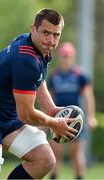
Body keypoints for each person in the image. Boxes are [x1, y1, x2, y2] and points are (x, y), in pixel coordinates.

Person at [0, 9, 78, 179]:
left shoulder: (37, 47)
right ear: (33, 29)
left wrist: (51, 108)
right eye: (46, 33)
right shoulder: (26, 59)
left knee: (44, 159)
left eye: (56, 35)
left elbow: (37, 79)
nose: (51, 40)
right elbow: (26, 114)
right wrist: (54, 123)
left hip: (8, 117)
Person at [48, 42, 98, 179]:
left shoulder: (80, 75)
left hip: (77, 120)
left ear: (73, 57)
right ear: (59, 57)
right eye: (63, 56)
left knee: (76, 154)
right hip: (57, 119)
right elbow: (49, 98)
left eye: (68, 56)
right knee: (54, 154)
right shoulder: (54, 76)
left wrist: (91, 116)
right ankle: (53, 177)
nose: (66, 59)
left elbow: (88, 97)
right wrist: (45, 119)